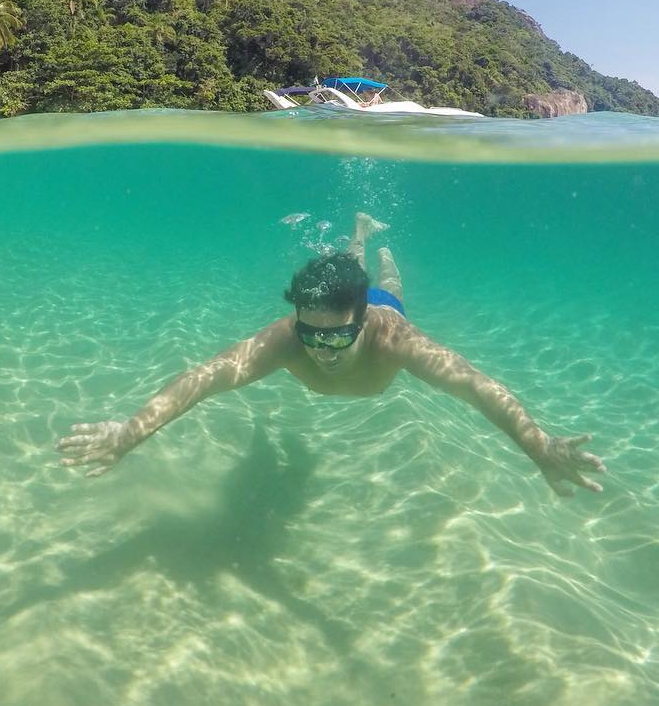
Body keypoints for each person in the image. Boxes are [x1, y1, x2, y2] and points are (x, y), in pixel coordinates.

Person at [57, 213, 605, 497]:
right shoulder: (290, 337)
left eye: (336, 337)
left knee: (389, 282)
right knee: (348, 261)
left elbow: (478, 388)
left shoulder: (393, 336)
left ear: (361, 323)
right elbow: (203, 380)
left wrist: (538, 447)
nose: (320, 350)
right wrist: (129, 432)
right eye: (310, 334)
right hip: (353, 299)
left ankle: (379, 253)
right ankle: (358, 234)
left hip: (383, 299)